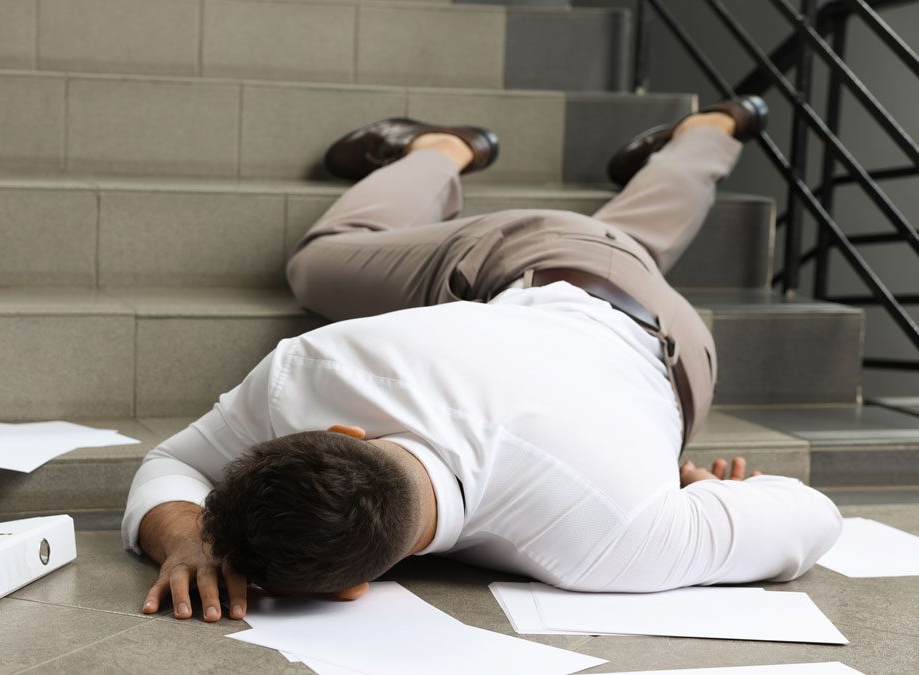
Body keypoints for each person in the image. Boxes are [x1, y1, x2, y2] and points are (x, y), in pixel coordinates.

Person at [124, 97, 844, 623]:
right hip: (625, 317)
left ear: (351, 588)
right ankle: (708, 131)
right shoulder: (317, 376)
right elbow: (821, 516)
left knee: (320, 263)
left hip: (593, 303)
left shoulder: (615, 540)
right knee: (625, 246)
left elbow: (807, 514)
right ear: (345, 436)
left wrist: (684, 495)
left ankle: (444, 148)